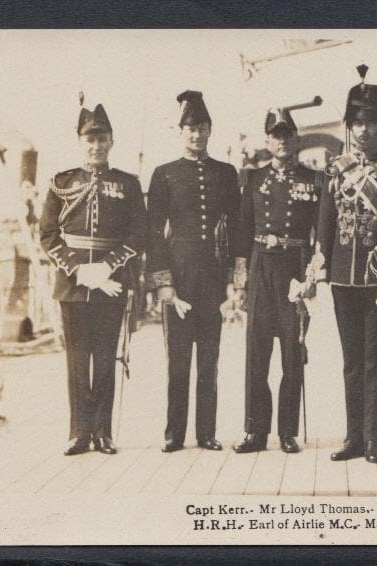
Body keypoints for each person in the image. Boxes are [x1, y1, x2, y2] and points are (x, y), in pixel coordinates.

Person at [39, 102, 147, 456]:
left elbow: (138, 234)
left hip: (111, 283)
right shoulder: (62, 183)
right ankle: (78, 433)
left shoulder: (128, 184)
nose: (96, 146)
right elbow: (48, 235)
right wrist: (80, 270)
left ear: (111, 141)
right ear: (79, 141)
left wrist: (107, 267)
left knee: (104, 359)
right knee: (76, 361)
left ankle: (103, 433)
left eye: (102, 139)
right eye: (90, 139)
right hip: (72, 285)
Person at [317, 65, 377, 464]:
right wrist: (321, 273)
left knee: (375, 361)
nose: (364, 130)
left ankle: (374, 439)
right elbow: (324, 224)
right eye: (357, 122)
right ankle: (353, 436)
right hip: (343, 278)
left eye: (371, 122)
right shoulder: (336, 170)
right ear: (349, 126)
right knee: (351, 362)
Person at [145, 90, 241, 453]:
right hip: (179, 276)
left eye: (202, 128)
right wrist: (163, 283)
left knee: (209, 360)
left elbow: (236, 228)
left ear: (210, 130)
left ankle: (206, 433)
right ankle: (174, 433)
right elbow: (154, 233)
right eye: (190, 128)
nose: (197, 134)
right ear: (180, 131)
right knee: (178, 360)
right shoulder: (164, 174)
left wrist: (234, 280)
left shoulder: (226, 173)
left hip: (213, 277)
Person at [232, 109, 324, 454]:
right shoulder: (252, 178)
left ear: (295, 139)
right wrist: (240, 284)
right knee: (256, 354)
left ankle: (287, 431)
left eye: (287, 135)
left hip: (295, 268)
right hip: (260, 266)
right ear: (267, 141)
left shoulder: (314, 179)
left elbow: (320, 234)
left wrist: (312, 277)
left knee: (292, 351)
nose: (282, 141)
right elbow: (242, 232)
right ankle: (255, 431)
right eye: (276, 135)